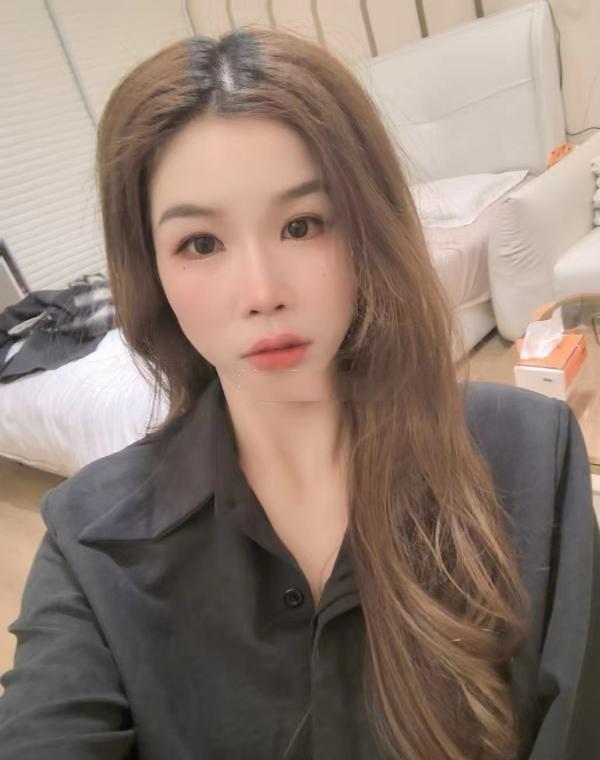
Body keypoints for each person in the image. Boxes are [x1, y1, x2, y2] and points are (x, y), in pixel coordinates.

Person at [0, 27, 598, 760]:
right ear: (150, 268)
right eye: (201, 243)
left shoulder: (532, 455)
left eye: (302, 225)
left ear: (368, 231)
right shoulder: (88, 542)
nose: (261, 292)